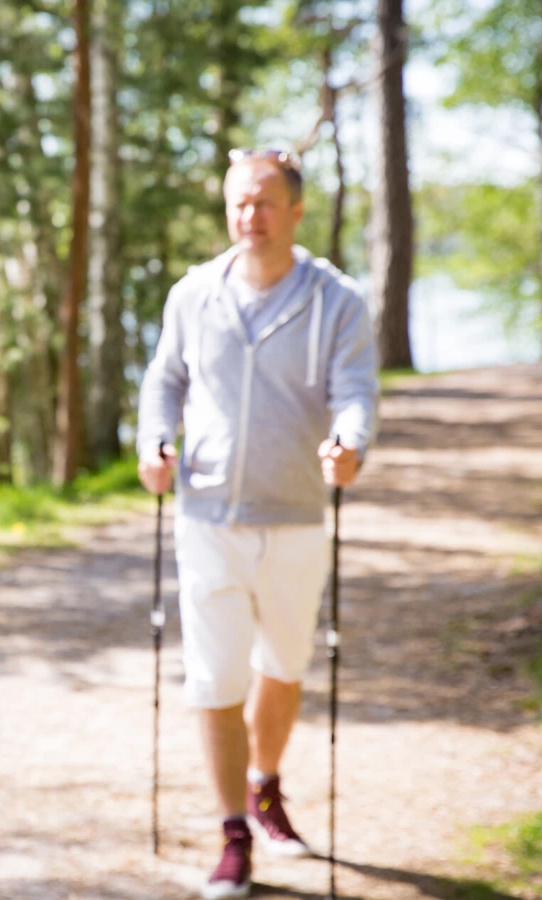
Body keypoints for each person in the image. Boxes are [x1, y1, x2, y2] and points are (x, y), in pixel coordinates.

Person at [136, 148, 378, 899]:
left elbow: (356, 392)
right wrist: (154, 442)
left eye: (266, 202)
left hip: (298, 514)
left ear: (296, 210)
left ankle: (264, 782)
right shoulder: (194, 294)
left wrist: (351, 443)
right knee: (214, 678)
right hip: (206, 513)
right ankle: (232, 832)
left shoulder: (337, 300)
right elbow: (164, 381)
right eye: (240, 202)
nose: (251, 215)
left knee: (284, 666)